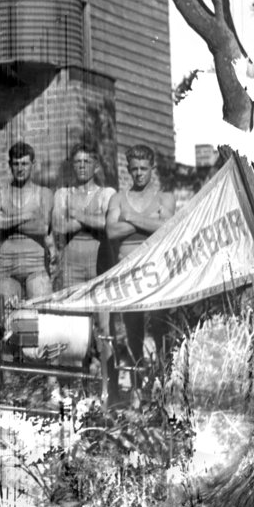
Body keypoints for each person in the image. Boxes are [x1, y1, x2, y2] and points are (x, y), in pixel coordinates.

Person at [106, 144, 176, 373]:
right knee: (133, 328)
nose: (138, 173)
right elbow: (111, 232)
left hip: (156, 269)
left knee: (160, 326)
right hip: (128, 270)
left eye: (143, 168)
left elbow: (167, 228)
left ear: (152, 168)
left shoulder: (165, 198)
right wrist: (149, 223)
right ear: (128, 169)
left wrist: (132, 217)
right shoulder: (118, 199)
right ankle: (137, 386)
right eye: (134, 169)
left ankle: (164, 382)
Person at [0, 141, 54, 302]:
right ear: (10, 165)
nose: (20, 168)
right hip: (7, 265)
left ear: (33, 164)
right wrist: (24, 216)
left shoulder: (43, 193)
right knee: (8, 319)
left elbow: (42, 227)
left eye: (24, 163)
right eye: (16, 164)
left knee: (41, 314)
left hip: (36, 264)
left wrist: (7, 220)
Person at [52, 142, 115, 288]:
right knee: (74, 309)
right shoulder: (63, 194)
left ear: (96, 166)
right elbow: (59, 227)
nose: (82, 165)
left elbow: (108, 224)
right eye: (77, 161)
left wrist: (77, 215)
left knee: (102, 309)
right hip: (71, 266)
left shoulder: (106, 193)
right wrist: (94, 218)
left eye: (87, 161)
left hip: (99, 263)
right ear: (72, 165)